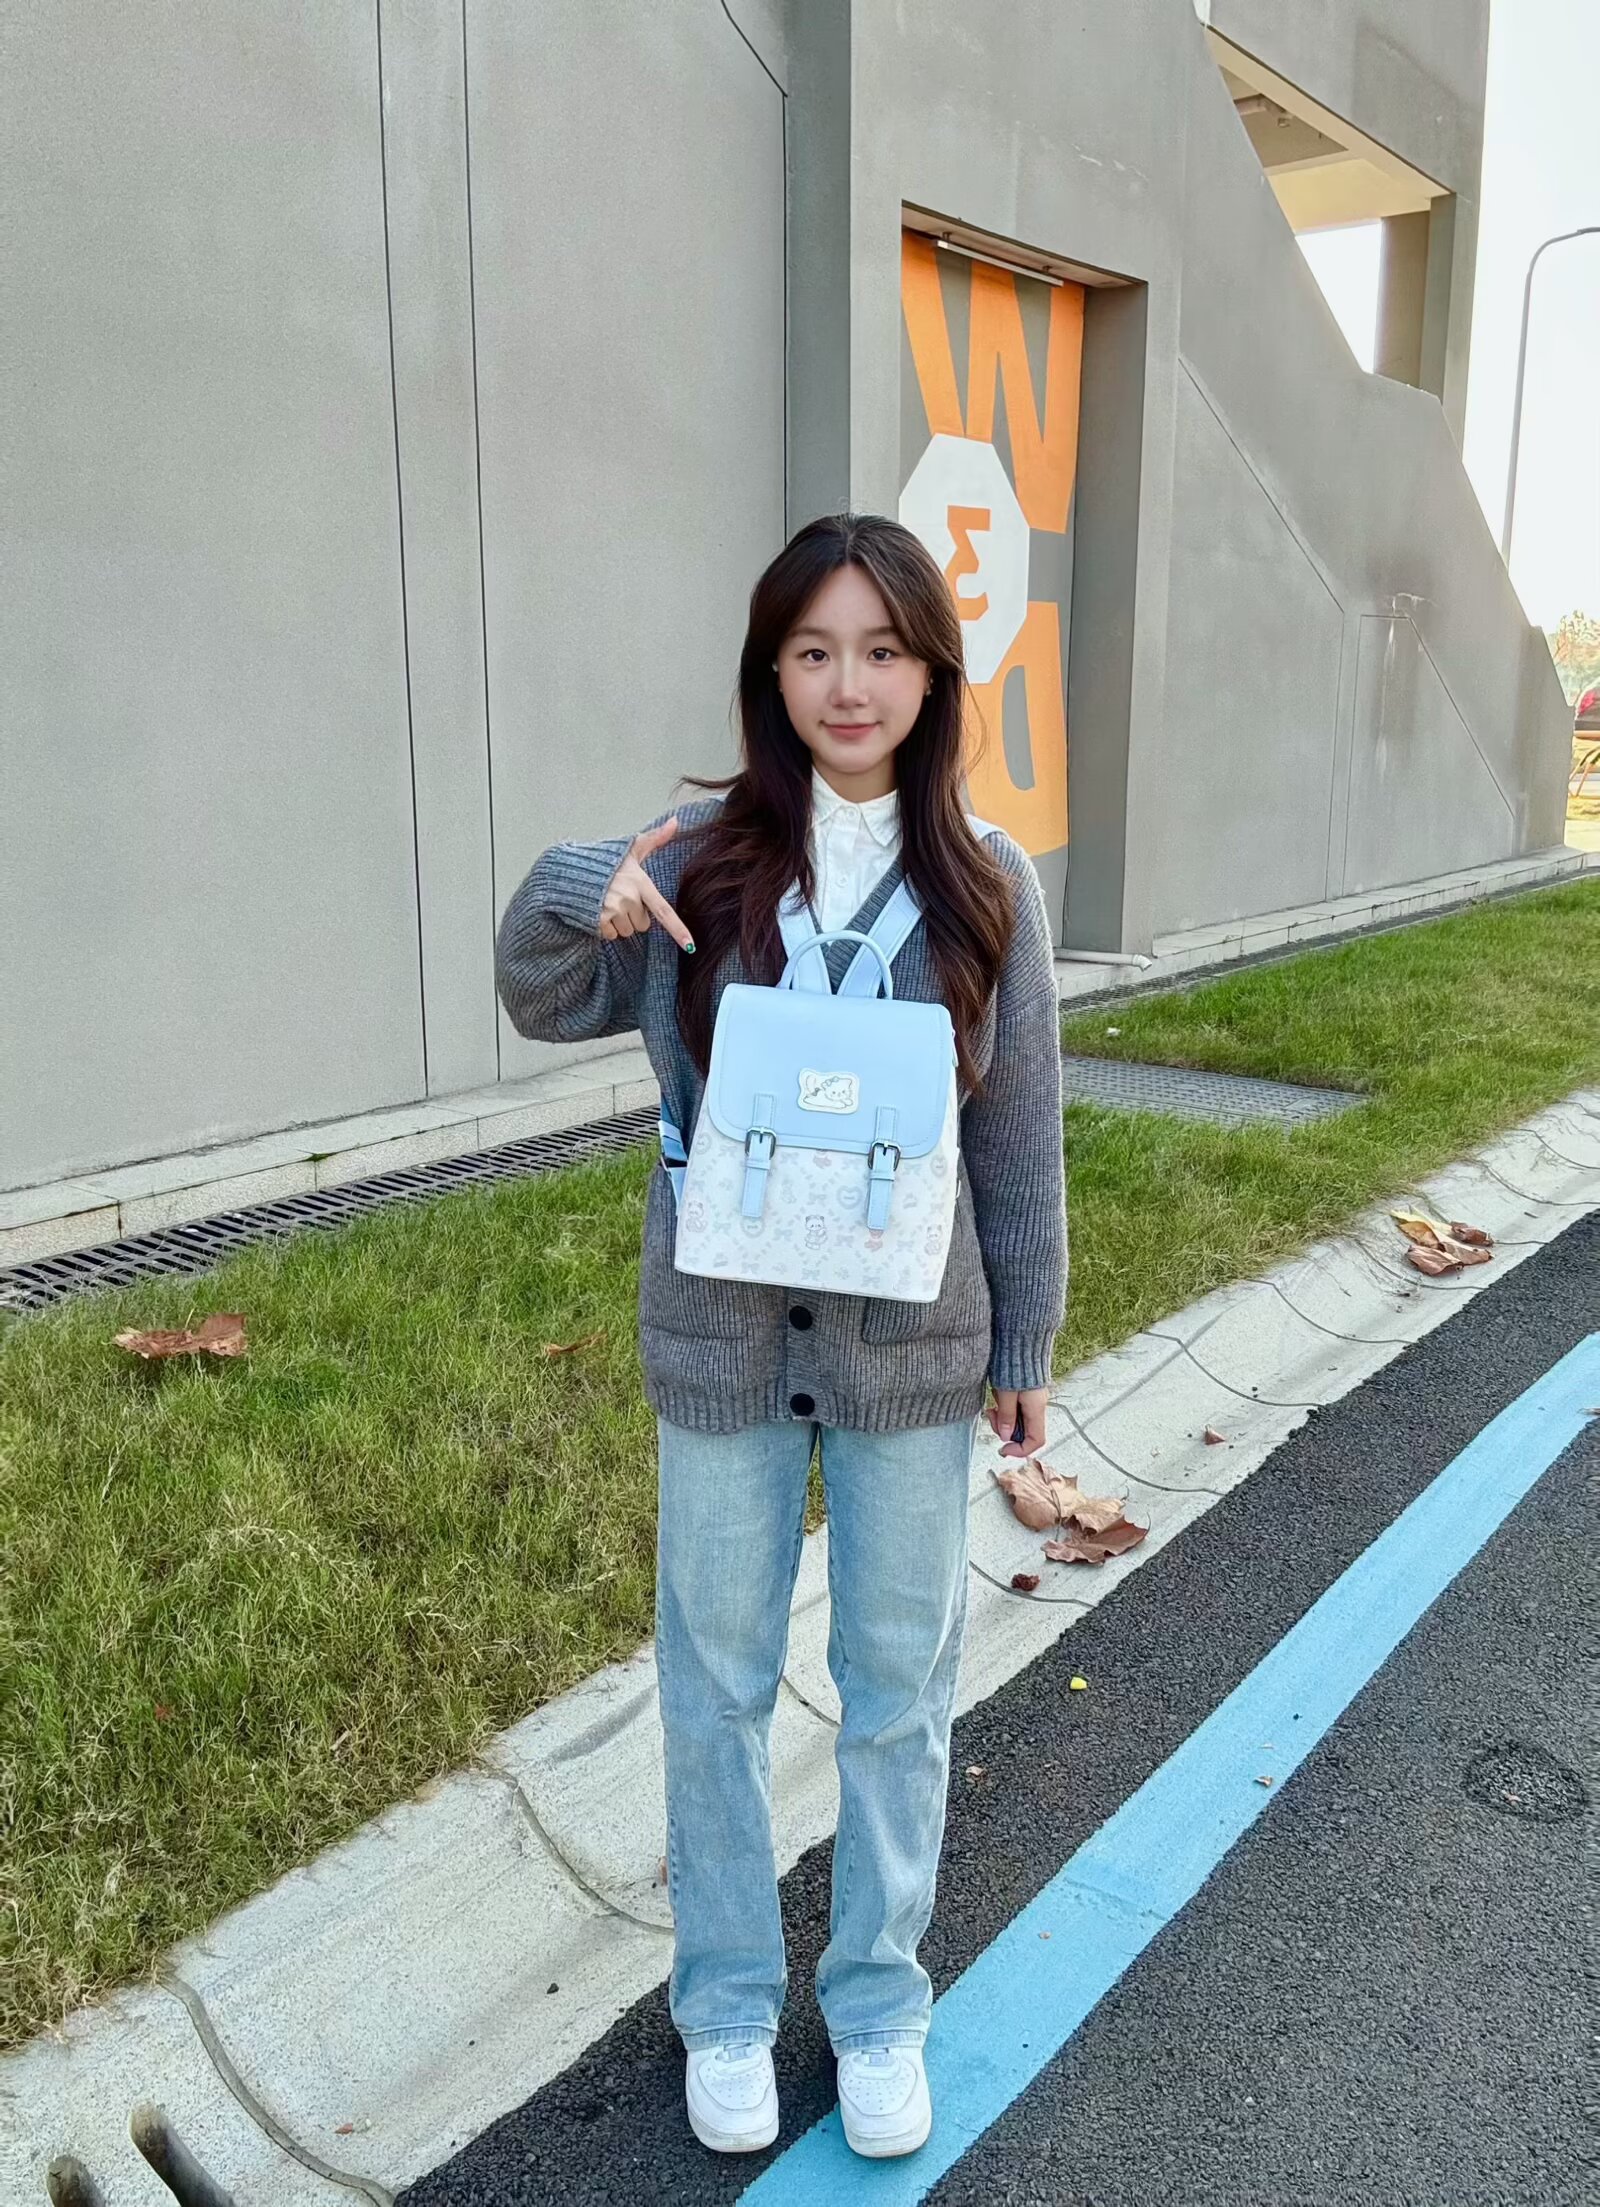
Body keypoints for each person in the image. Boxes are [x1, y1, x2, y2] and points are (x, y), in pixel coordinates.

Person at [495, 512, 1067, 2159]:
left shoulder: (988, 883)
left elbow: (1018, 1135)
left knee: (900, 1683)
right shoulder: (696, 865)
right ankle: (730, 2004)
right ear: (771, 672)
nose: (849, 684)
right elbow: (538, 990)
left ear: (932, 675)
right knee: (717, 1680)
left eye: (882, 650)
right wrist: (578, 884)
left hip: (911, 1351)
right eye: (814, 650)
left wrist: (1025, 1339)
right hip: (723, 1341)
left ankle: (880, 2003)